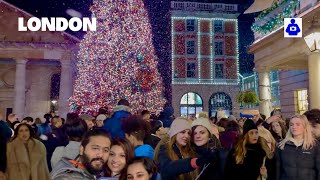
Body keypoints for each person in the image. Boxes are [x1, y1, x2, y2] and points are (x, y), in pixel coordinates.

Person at [276, 114, 320, 180]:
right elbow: (277, 170)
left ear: (305, 126)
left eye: (298, 124)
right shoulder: (282, 145)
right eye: (291, 124)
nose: (294, 127)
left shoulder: (314, 145)